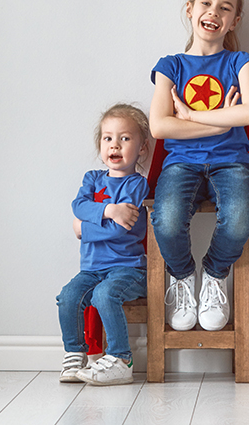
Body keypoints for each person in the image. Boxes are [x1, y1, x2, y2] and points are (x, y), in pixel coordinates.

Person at [149, 0, 249, 333]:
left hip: (231, 162)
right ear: (190, 9)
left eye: (225, 7)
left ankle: (214, 274)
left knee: (242, 215)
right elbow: (160, 127)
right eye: (206, 2)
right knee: (166, 220)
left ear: (234, 20)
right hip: (181, 162)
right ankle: (182, 277)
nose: (214, 12)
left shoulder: (240, 62)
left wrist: (193, 115)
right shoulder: (171, 66)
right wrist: (220, 122)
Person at [57, 103, 151, 386]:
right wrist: (109, 211)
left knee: (104, 295)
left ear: (142, 148)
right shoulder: (92, 179)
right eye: (108, 138)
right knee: (68, 297)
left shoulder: (137, 185)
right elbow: (79, 205)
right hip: (92, 269)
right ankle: (75, 353)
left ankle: (121, 359)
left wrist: (83, 230)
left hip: (128, 269)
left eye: (125, 138)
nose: (115, 145)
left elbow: (120, 233)